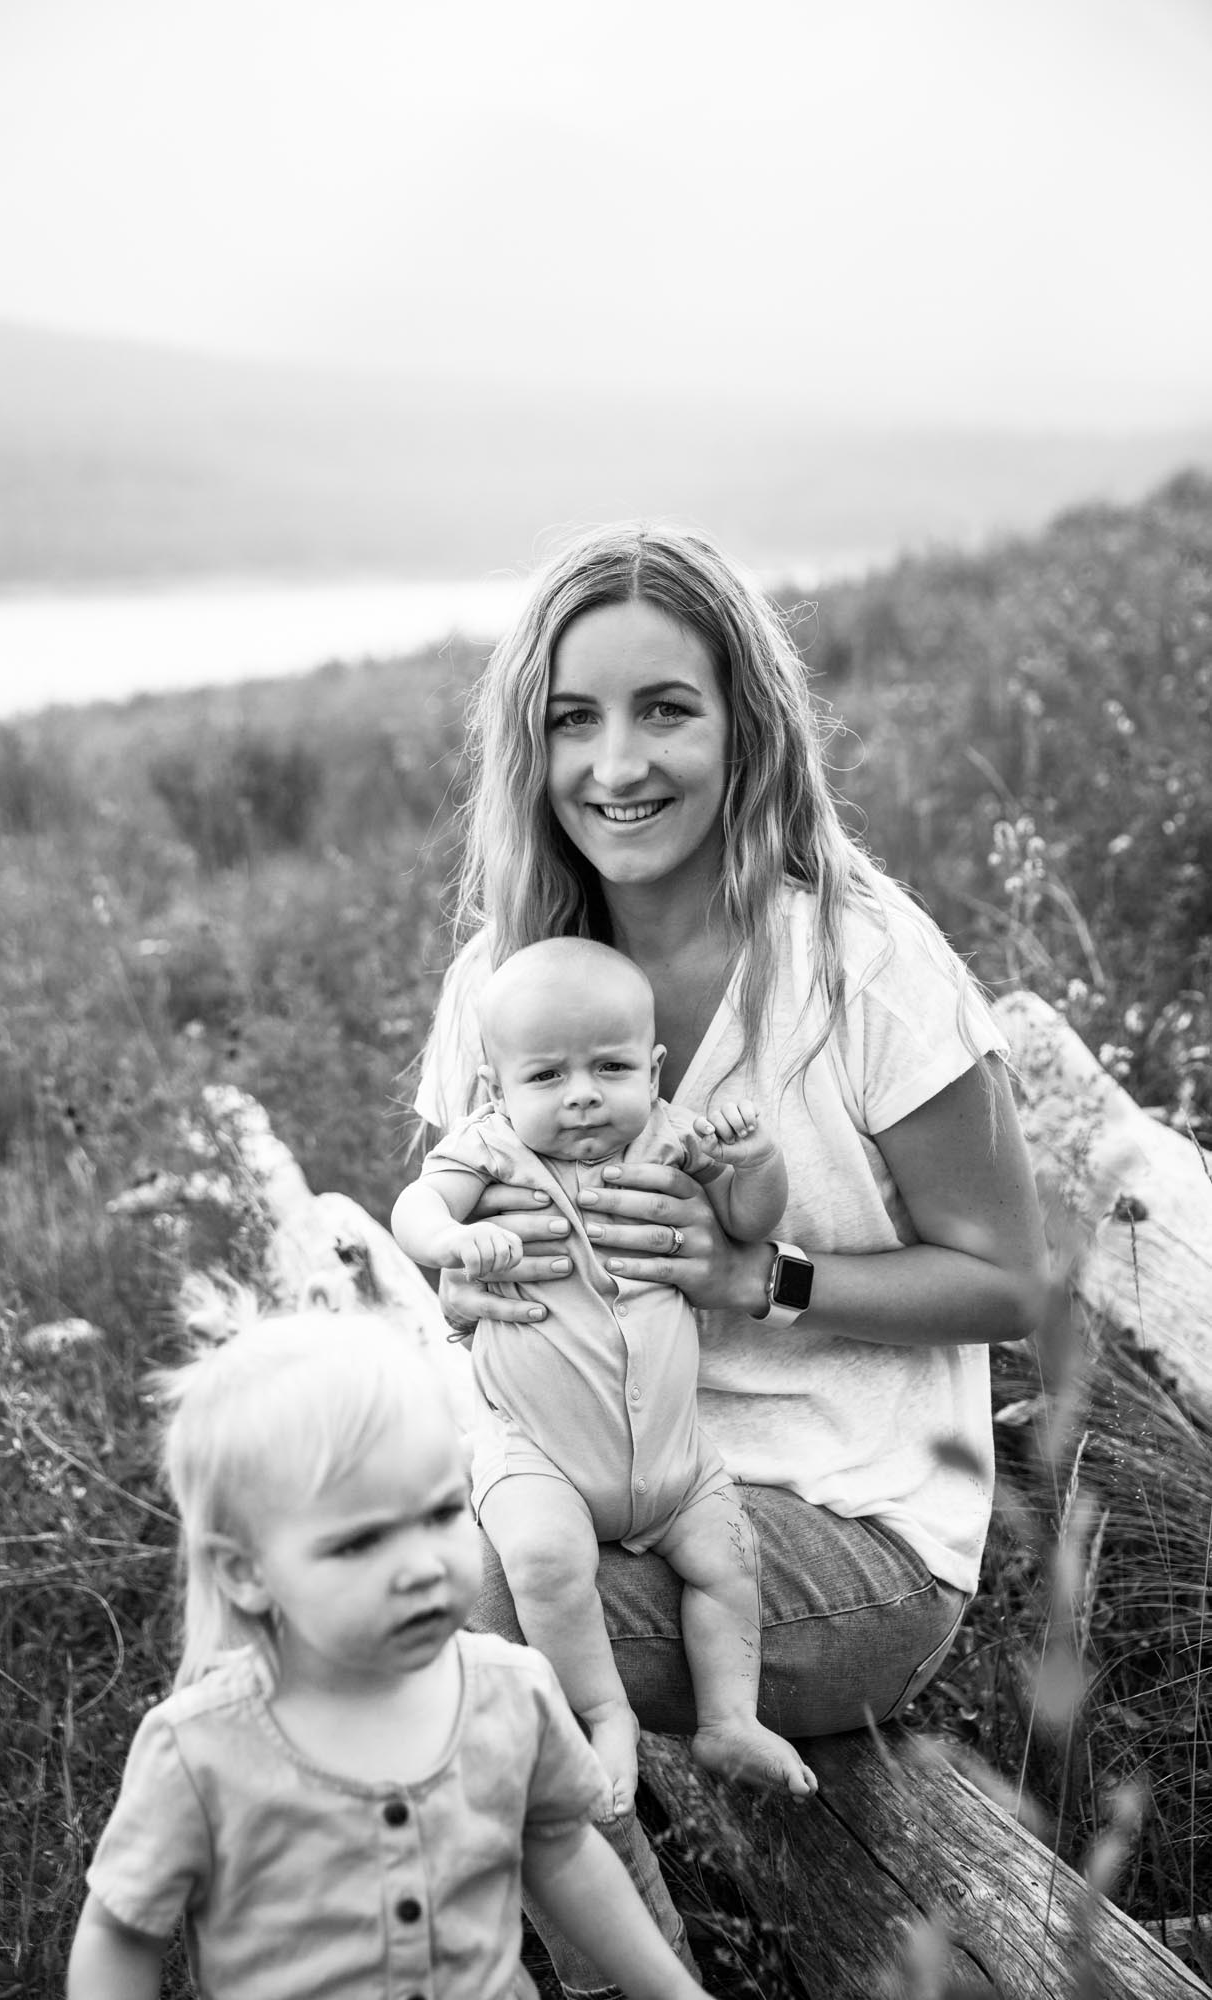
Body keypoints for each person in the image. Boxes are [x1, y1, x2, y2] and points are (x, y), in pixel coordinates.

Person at [411, 520, 1050, 1998]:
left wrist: (761, 1280)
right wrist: (461, 1278)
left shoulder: (857, 963)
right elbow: (449, 1222)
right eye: (573, 718)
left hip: (848, 1528)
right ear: (531, 748)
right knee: (364, 1571)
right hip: (583, 1470)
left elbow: (1011, 1283)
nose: (616, 763)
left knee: (459, 1616)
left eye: (664, 709)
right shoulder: (502, 982)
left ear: (745, 725)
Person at [66, 1292, 705, 2000]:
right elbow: (120, 1933)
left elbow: (561, 1852)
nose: (424, 1565)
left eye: (439, 1513)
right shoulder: (199, 1751)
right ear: (246, 1574)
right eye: (361, 1540)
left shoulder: (511, 1690)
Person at [392, 936, 816, 1817]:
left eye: (610, 1066)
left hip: (674, 1464)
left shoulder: (668, 1135)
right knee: (544, 1563)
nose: (582, 1093)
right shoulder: (492, 1150)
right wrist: (449, 1243)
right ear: (494, 1090)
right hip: (540, 1452)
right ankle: (601, 1710)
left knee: (730, 1563)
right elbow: (417, 1204)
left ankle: (728, 1717)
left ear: (654, 1067)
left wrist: (755, 1167)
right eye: (545, 1077)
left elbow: (746, 1224)